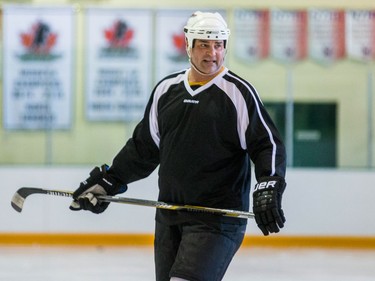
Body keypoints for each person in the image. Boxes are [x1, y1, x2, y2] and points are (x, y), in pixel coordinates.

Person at [70, 11, 287, 281]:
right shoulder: (166, 91)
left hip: (216, 220)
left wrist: (269, 184)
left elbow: (267, 145)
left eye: (218, 45)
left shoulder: (238, 94)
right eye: (204, 45)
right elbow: (143, 149)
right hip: (169, 216)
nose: (212, 53)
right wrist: (108, 181)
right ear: (188, 45)